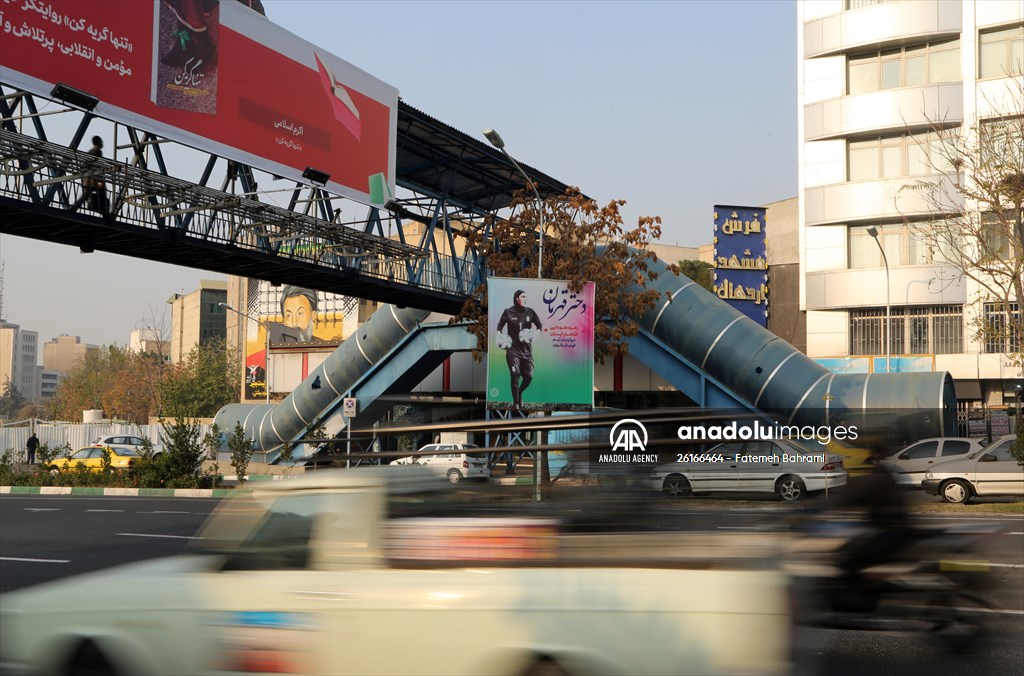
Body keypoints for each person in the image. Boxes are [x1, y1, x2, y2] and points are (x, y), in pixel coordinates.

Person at [828, 445, 914, 612]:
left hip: (891, 534)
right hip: (890, 531)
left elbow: (850, 498)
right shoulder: (882, 474)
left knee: (848, 561)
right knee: (852, 548)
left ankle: (859, 602)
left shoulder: (877, 477)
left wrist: (819, 507)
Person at [495, 289, 543, 410]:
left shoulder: (530, 312)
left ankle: (520, 393)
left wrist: (535, 334)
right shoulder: (508, 312)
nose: (526, 298)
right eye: (523, 296)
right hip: (512, 351)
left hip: (526, 351)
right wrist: (499, 335)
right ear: (517, 298)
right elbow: (500, 325)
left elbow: (540, 325)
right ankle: (516, 402)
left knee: (529, 377)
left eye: (526, 296)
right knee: (515, 374)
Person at [68, 136, 109, 215]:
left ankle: (72, 210)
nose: (102, 143)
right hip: (93, 179)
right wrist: (100, 179)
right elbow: (96, 166)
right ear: (98, 142)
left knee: (85, 196)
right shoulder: (98, 151)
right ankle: (105, 214)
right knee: (102, 194)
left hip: (87, 179)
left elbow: (85, 164)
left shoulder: (90, 151)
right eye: (101, 142)